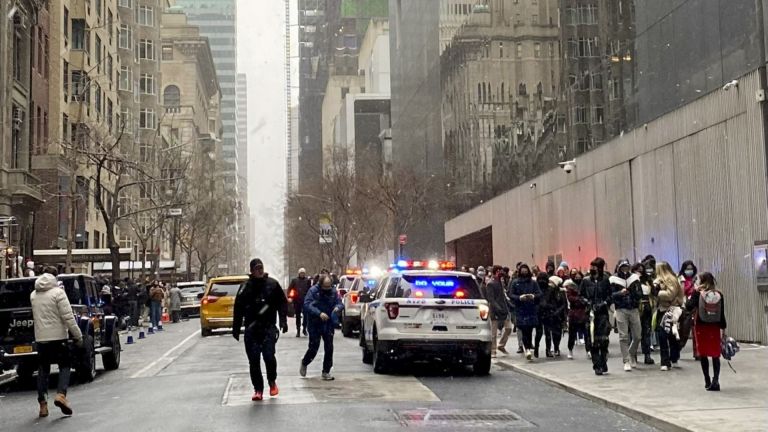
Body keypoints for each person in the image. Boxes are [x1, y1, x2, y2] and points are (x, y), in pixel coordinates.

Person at [232, 258, 289, 401]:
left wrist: (283, 321)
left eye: (261, 268)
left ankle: (272, 381)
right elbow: (238, 308)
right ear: (251, 271)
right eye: (257, 268)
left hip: (268, 328)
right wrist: (236, 328)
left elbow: (282, 303)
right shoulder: (245, 287)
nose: (259, 270)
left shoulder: (272, 285)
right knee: (254, 360)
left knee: (269, 357)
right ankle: (258, 389)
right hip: (251, 330)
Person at [30, 270, 83, 417]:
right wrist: (78, 336)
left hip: (41, 338)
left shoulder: (34, 295)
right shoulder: (58, 293)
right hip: (59, 337)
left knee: (43, 370)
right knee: (65, 366)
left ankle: (42, 404)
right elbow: (68, 317)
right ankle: (61, 394)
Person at [685, 272, 726, 391]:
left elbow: (688, 306)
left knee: (703, 353)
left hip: (701, 325)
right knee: (715, 353)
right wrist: (723, 327)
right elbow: (721, 313)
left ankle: (707, 381)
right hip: (714, 326)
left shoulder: (697, 293)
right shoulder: (719, 294)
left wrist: (693, 292)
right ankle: (716, 380)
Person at [300, 275, 344, 380]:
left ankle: (326, 370)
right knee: (314, 347)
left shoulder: (333, 292)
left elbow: (340, 303)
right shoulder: (313, 291)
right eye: (325, 287)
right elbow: (307, 305)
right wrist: (319, 313)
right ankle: (305, 361)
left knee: (329, 347)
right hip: (315, 323)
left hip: (328, 322)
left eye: (329, 287)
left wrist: (337, 308)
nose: (327, 289)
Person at [580, 257, 613, 375]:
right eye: (591, 266)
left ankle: (603, 361)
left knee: (603, 340)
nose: (592, 269)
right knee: (592, 340)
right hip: (590, 313)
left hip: (602, 313)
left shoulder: (605, 280)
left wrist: (604, 303)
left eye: (594, 267)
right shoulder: (585, 281)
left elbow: (610, 295)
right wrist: (587, 302)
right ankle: (597, 365)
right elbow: (581, 295)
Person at [610, 259, 643, 371]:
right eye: (622, 267)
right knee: (623, 336)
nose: (625, 269)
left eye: (626, 267)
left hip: (633, 309)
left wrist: (632, 291)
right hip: (620, 309)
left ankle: (631, 352)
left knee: (638, 336)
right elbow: (611, 295)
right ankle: (626, 360)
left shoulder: (634, 278)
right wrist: (620, 293)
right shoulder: (613, 279)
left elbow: (640, 294)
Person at [654, 261, 685, 371]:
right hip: (662, 309)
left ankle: (671, 359)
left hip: (671, 310)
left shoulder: (670, 279)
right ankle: (667, 360)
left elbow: (670, 295)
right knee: (664, 336)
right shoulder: (659, 280)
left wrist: (658, 293)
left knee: (670, 335)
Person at [510, 263, 542, 361]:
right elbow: (511, 294)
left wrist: (533, 296)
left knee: (530, 330)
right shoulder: (515, 282)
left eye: (526, 270)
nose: (524, 272)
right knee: (524, 330)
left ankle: (528, 346)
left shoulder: (533, 282)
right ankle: (527, 348)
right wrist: (519, 298)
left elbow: (539, 293)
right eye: (522, 270)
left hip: (531, 308)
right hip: (520, 309)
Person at [485, 265, 512, 357]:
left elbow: (503, 296)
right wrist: (498, 308)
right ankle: (493, 350)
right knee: (494, 332)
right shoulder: (490, 283)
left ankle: (501, 345)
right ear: (496, 271)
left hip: (504, 308)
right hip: (495, 310)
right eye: (500, 271)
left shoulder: (501, 281)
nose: (502, 273)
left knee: (508, 328)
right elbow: (491, 299)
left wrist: (508, 305)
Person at [540, 275, 567, 357]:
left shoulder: (561, 292)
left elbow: (564, 304)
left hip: (558, 315)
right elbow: (544, 303)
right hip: (548, 314)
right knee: (548, 333)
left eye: (551, 282)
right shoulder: (547, 291)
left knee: (557, 333)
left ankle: (556, 347)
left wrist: (558, 311)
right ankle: (548, 349)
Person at [634, 262, 655, 365]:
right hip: (635, 308)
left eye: (641, 270)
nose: (640, 272)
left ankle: (647, 355)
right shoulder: (631, 281)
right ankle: (633, 355)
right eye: (637, 270)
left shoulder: (648, 281)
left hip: (647, 307)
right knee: (635, 333)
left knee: (646, 332)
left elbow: (654, 292)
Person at [564, 276, 589, 359]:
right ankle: (570, 350)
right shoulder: (570, 287)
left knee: (586, 334)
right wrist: (580, 299)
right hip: (574, 313)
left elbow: (587, 298)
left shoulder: (584, 286)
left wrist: (582, 300)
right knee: (572, 334)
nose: (578, 278)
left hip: (583, 313)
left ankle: (588, 350)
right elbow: (570, 298)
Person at [678, 260, 698, 354]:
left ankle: (697, 352)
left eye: (691, 269)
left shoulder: (696, 278)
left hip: (696, 305)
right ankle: (678, 347)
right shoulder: (681, 278)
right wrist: (691, 285)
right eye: (687, 269)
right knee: (685, 330)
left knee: (696, 329)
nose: (689, 271)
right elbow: (682, 292)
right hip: (686, 306)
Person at [288, 268, 312, 337]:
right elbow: (290, 289)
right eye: (301, 273)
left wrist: (310, 298)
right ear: (299, 273)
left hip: (305, 300)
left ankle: (304, 328)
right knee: (298, 316)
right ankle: (298, 330)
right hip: (297, 300)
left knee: (306, 315)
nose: (302, 274)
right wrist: (290, 297)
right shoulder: (294, 281)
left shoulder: (307, 281)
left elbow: (310, 290)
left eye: (303, 273)